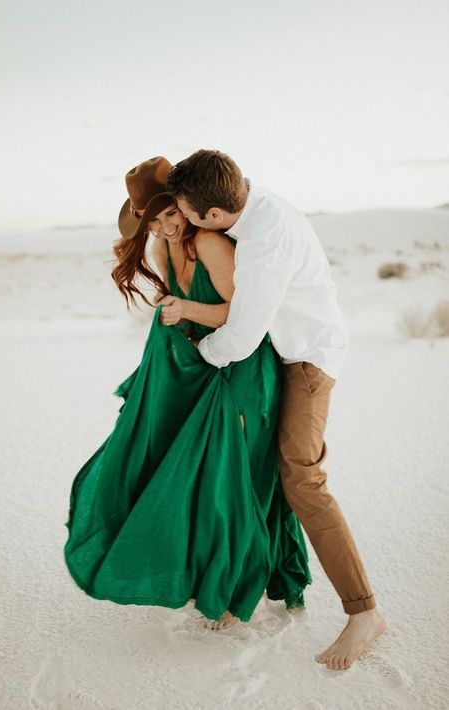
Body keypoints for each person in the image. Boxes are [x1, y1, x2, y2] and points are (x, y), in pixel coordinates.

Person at [63, 156, 311, 631]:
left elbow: (245, 320)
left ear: (185, 204)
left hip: (243, 369)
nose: (166, 226)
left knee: (237, 484)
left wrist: (187, 309)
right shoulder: (162, 248)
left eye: (170, 214)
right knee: (206, 480)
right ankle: (221, 576)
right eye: (153, 220)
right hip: (206, 369)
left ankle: (237, 595)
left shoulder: (212, 244)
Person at [165, 149, 387, 669]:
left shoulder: (266, 242)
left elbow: (242, 335)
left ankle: (364, 613)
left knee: (302, 479)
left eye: (192, 218)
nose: (190, 226)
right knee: (264, 471)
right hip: (286, 355)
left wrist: (199, 358)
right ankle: (260, 575)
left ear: (215, 215)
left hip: (308, 360)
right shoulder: (249, 202)